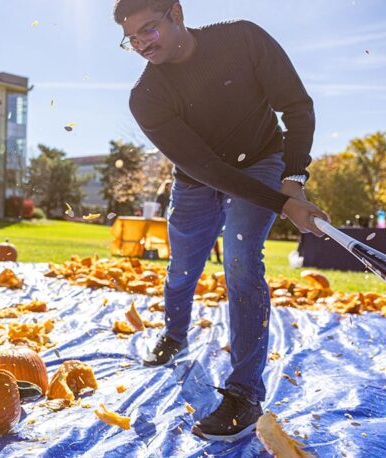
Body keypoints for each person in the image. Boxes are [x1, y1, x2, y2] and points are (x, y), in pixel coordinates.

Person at [113, 0, 330, 442]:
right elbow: (208, 168)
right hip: (197, 179)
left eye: (149, 30)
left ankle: (244, 394)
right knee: (182, 267)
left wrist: (292, 180)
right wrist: (284, 204)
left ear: (176, 13)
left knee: (241, 262)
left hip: (262, 161)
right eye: (132, 39)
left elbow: (297, 106)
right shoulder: (146, 96)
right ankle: (174, 334)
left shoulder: (242, 39)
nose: (141, 45)